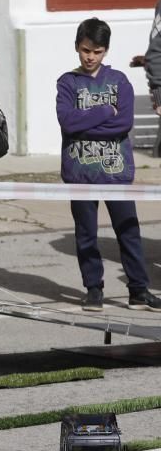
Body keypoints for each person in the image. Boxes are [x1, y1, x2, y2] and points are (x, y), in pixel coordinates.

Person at [56, 18, 161, 313]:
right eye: (86, 50)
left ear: (106, 51)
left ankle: (139, 290)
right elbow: (67, 121)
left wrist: (85, 122)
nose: (91, 57)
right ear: (77, 47)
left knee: (128, 230)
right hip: (80, 172)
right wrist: (104, 110)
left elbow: (123, 124)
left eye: (97, 51)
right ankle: (93, 289)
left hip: (116, 172)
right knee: (86, 232)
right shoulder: (67, 83)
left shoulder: (119, 82)